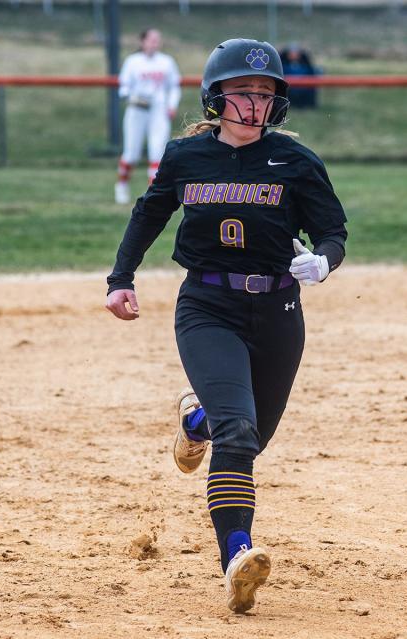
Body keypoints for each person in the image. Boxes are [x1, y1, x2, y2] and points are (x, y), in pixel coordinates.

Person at [104, 38, 348, 613]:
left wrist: (324, 262)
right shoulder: (188, 157)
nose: (255, 103)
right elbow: (150, 213)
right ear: (217, 98)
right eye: (243, 92)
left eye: (265, 93)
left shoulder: (296, 161)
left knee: (249, 437)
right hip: (208, 307)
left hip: (280, 311)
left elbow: (333, 232)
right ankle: (237, 555)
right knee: (237, 434)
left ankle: (196, 418)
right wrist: (122, 278)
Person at [115, 28, 182, 205]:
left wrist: (171, 106)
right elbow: (123, 88)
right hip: (137, 111)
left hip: (158, 111)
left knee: (157, 153)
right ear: (142, 41)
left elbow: (174, 86)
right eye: (151, 39)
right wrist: (132, 97)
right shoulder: (133, 62)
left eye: (157, 39)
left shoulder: (166, 62)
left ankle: (151, 196)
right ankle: (121, 185)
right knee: (131, 154)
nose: (154, 42)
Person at [279, 43, 318, 109]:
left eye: (296, 53)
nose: (294, 55)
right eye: (291, 53)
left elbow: (311, 75)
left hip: (303, 90)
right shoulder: (283, 66)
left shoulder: (305, 66)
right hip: (289, 89)